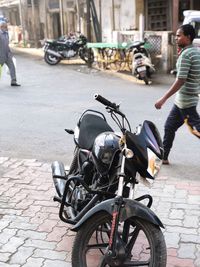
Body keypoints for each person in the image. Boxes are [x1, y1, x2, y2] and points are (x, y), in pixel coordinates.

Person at [155, 24, 200, 165]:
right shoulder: (195, 51)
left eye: (179, 35)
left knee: (197, 131)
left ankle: (164, 156)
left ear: (188, 37)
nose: (176, 38)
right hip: (182, 101)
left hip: (186, 103)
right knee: (169, 127)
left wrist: (163, 99)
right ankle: (164, 157)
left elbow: (181, 80)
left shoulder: (187, 54)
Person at [0, 21, 20, 86]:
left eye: (6, 27)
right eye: (5, 27)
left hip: (7, 54)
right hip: (1, 55)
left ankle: (13, 81)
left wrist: (10, 52)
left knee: (12, 67)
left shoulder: (6, 34)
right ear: (1, 27)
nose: (6, 28)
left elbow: (7, 44)